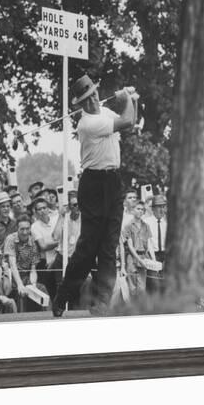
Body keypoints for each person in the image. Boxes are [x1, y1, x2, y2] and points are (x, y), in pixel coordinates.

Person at [53, 75, 135, 317]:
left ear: (98, 93)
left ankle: (102, 302)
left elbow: (129, 118)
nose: (92, 101)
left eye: (93, 95)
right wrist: (128, 97)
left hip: (113, 181)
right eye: (86, 99)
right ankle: (63, 296)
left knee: (109, 246)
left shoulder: (107, 112)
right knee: (88, 248)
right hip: (92, 184)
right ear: (80, 103)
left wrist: (134, 100)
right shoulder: (86, 124)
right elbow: (127, 121)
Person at [4, 214, 49, 312]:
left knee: (41, 289)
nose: (25, 232)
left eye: (27, 229)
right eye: (22, 229)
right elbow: (12, 265)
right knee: (21, 293)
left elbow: (33, 269)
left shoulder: (33, 242)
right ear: (17, 228)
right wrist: (20, 285)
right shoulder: (10, 239)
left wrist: (33, 285)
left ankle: (48, 317)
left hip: (26, 277)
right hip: (11, 276)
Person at [50, 191, 82, 299]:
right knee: (61, 288)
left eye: (79, 204)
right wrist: (61, 216)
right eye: (74, 205)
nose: (77, 207)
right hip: (63, 257)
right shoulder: (64, 218)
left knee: (78, 289)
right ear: (69, 206)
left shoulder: (85, 218)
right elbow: (55, 236)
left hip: (78, 259)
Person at [122, 200, 156, 298]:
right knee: (132, 288)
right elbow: (130, 246)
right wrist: (139, 260)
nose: (140, 211)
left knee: (142, 289)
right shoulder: (128, 226)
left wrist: (153, 261)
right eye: (138, 209)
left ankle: (140, 310)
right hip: (132, 259)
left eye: (142, 209)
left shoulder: (146, 226)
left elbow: (149, 245)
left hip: (144, 258)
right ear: (133, 210)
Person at [31, 196, 59, 300]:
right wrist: (59, 243)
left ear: (48, 209)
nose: (42, 211)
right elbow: (43, 246)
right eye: (39, 209)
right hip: (46, 263)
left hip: (60, 259)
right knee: (52, 291)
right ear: (36, 212)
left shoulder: (56, 220)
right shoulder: (35, 226)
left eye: (44, 208)